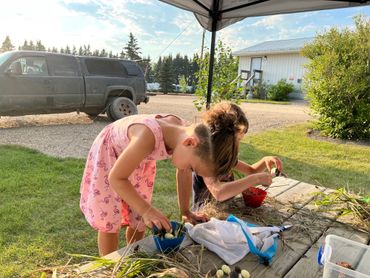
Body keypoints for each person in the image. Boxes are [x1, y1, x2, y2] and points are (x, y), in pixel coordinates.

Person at [79, 113, 216, 256]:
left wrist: (185, 211)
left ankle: (134, 255)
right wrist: (146, 210)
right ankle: (109, 266)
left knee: (139, 219)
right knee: (110, 219)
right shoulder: (147, 136)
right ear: (190, 143)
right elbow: (116, 178)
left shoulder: (186, 136)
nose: (189, 171)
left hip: (140, 160)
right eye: (192, 167)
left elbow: (183, 172)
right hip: (110, 156)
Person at [190, 101, 283, 210]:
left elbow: (251, 171)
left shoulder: (226, 156)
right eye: (237, 140)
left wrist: (265, 160)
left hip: (226, 210)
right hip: (206, 216)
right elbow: (219, 192)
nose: (238, 145)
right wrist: (255, 179)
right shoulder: (206, 159)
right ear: (224, 139)